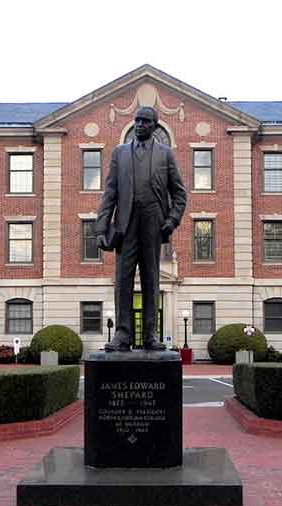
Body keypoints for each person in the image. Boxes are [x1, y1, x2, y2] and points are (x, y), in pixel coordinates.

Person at [95, 106, 187, 351]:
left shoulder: (165, 154)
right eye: (136, 120)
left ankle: (150, 335)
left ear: (154, 126)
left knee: (151, 279)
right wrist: (101, 229)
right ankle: (123, 335)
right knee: (123, 279)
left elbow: (179, 193)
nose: (139, 124)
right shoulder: (120, 153)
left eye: (145, 121)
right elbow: (110, 193)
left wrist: (172, 220)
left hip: (153, 222)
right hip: (126, 223)